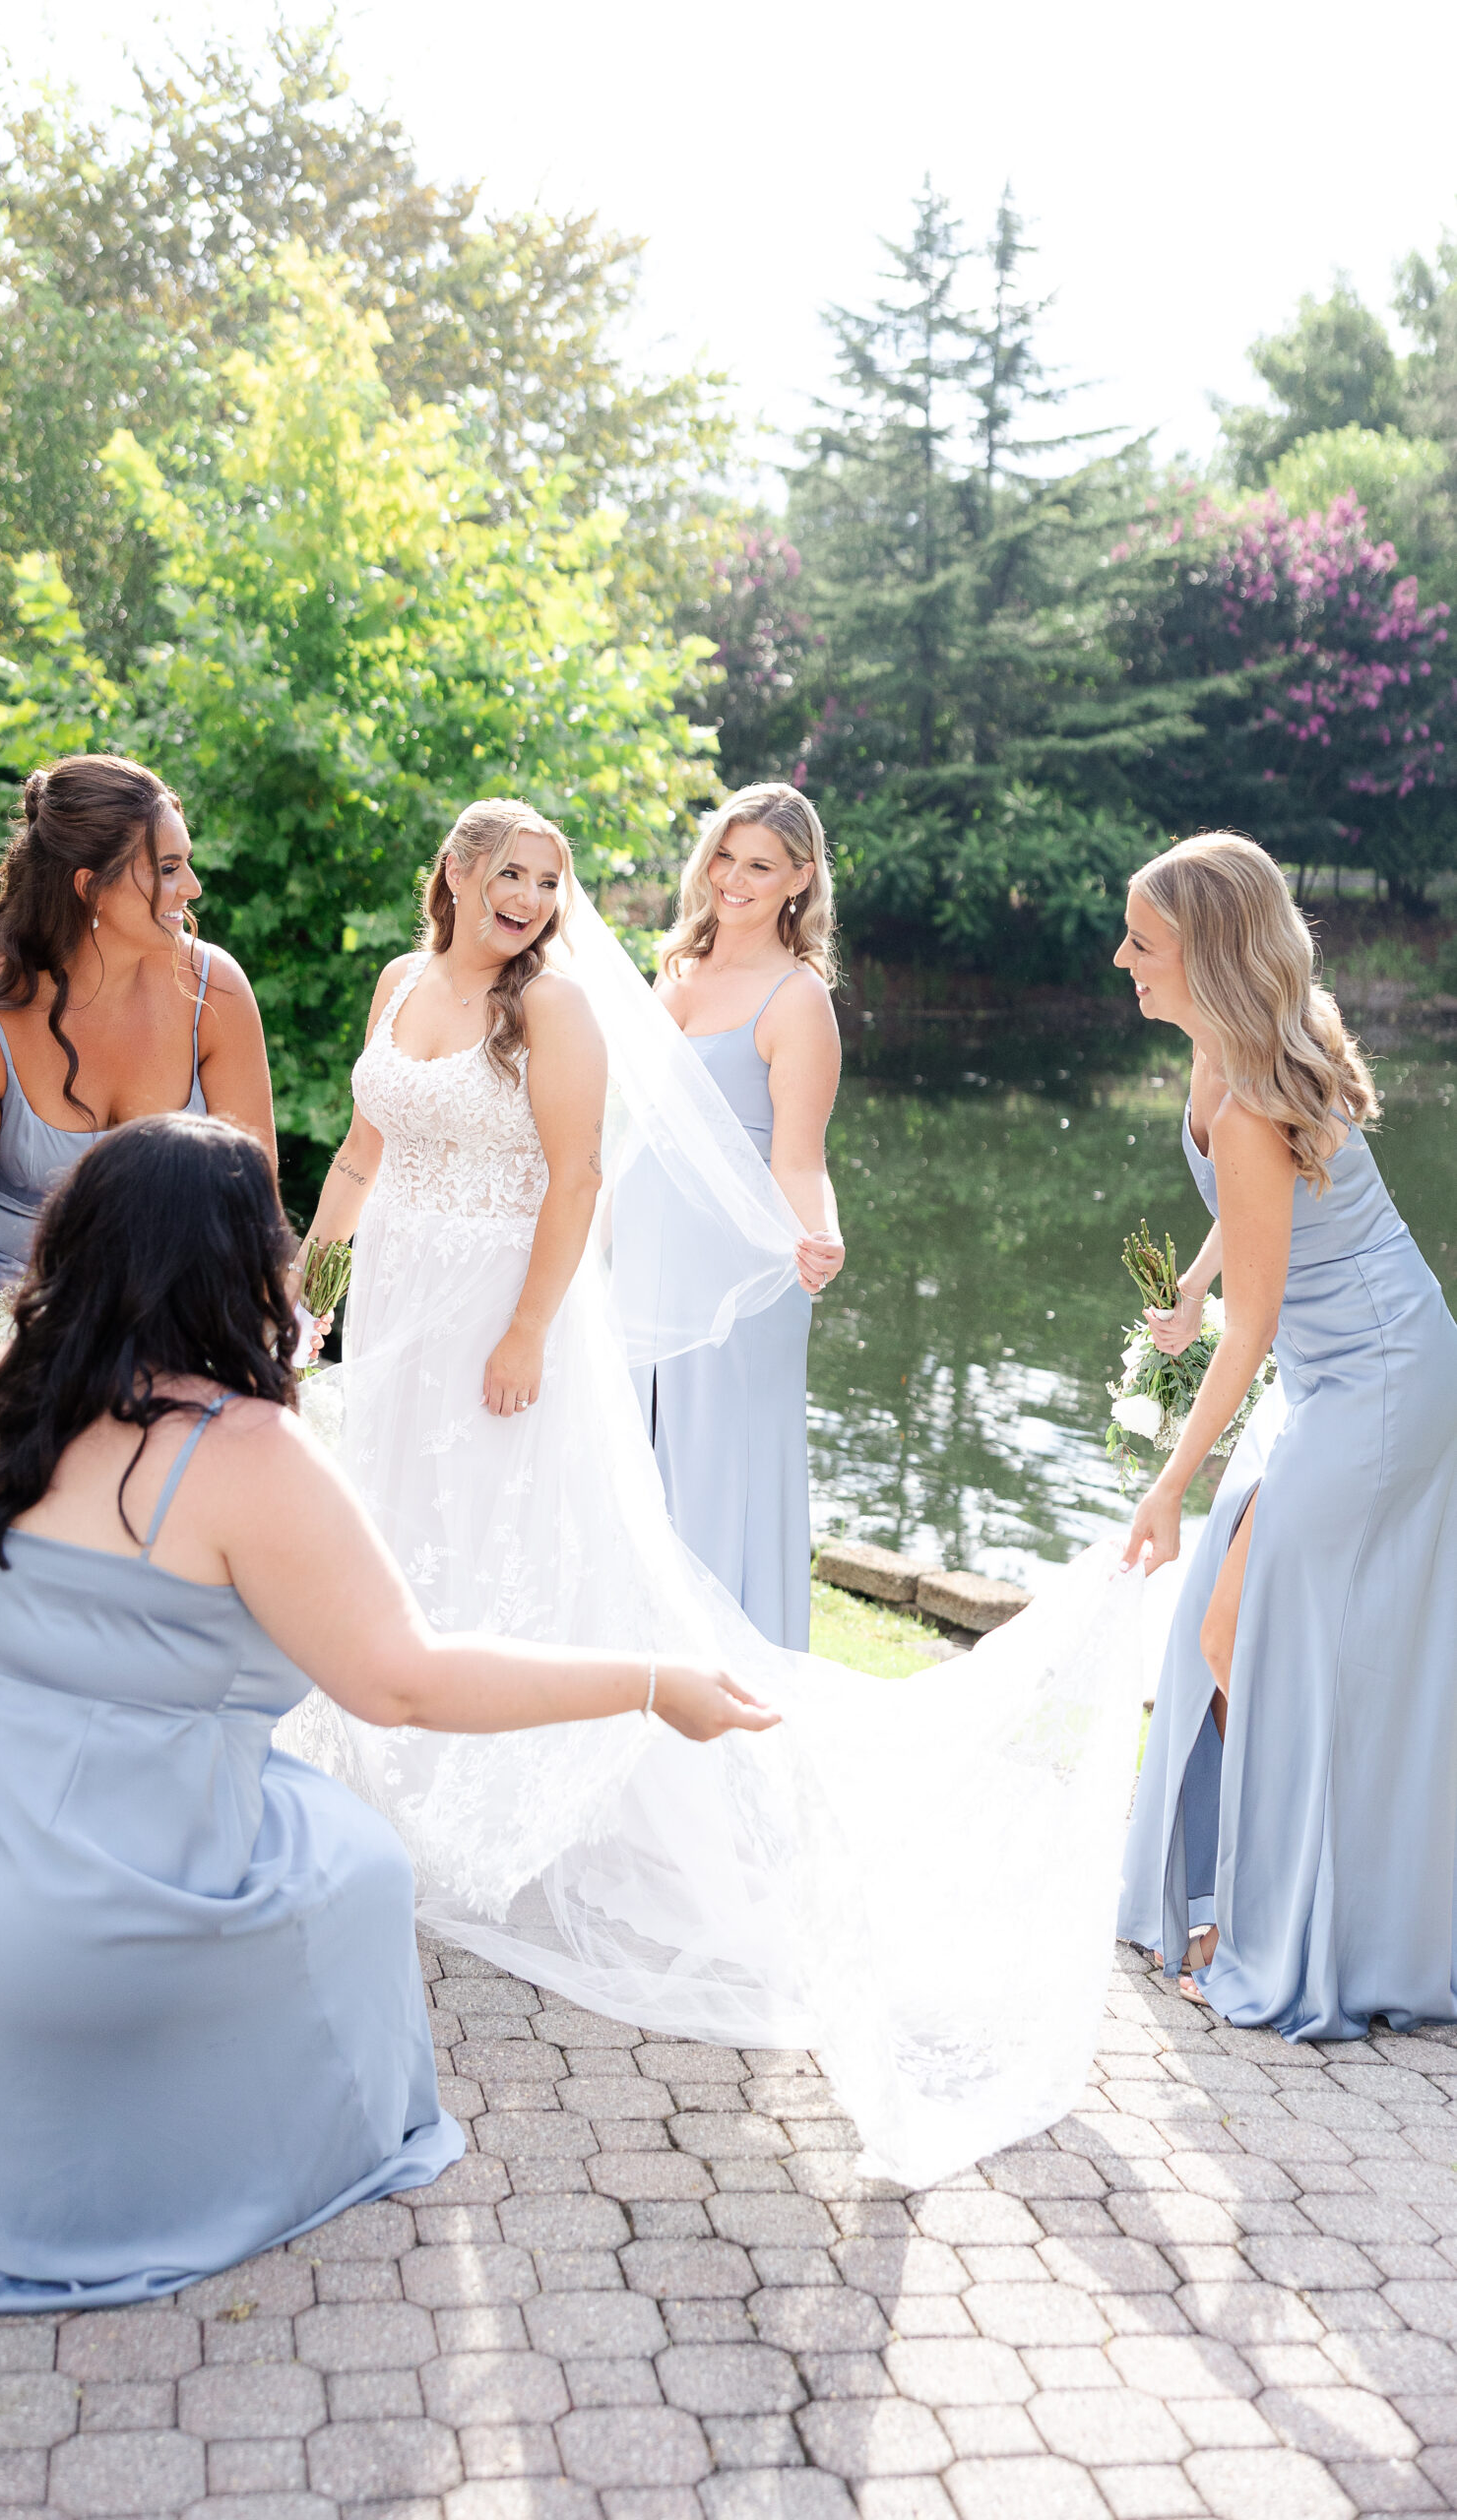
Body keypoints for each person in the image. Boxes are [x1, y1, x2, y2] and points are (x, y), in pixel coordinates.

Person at [285, 796, 1151, 2188]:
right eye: (506, 872)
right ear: (449, 870)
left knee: (535, 1547)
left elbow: (577, 1175)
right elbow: (355, 1157)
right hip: (395, 1305)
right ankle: (411, 1776)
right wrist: (312, 1296)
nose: (526, 896)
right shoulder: (398, 985)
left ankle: (554, 1800)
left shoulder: (554, 1006)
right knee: (406, 1539)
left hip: (507, 1310)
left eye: (547, 879)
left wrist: (522, 1331)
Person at [0, 1113, 766, 2315]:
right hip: (45, 1903)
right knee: (351, 1866)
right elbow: (407, 1680)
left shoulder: (5, 1385)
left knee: (287, 1807)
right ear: (229, 1263)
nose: (293, 1252)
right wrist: (655, 1684)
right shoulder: (243, 1451)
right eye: (276, 1234)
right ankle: (208, 2145)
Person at [1116, 834, 1457, 2036]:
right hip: (1333, 1368)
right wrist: (1197, 1285)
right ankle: (1228, 1903)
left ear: (1206, 954)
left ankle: (1278, 1930)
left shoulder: (1255, 1093)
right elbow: (1253, 1219)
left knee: (1252, 1633)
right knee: (1230, 1621)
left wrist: (1168, 1483)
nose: (1123, 960)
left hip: (1374, 1374)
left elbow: (1254, 1333)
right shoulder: (1225, 1050)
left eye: (1144, 944)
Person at [0, 752, 275, 1430]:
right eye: (165, 868)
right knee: (25, 1452)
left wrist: (255, 1312)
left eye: (185, 861)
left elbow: (252, 1180)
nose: (193, 887)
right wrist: (5, 1353)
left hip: (146, 1271)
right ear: (89, 887)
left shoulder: (213, 990)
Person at [640, 784, 845, 1647]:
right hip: (645, 1272)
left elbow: (798, 1157)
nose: (733, 878)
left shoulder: (796, 999)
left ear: (798, 878)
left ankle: (733, 1691)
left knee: (718, 1479)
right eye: (724, 856)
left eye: (759, 865)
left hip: (738, 1283)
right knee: (640, 1480)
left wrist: (823, 1234)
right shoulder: (674, 969)